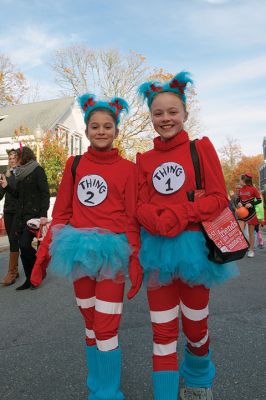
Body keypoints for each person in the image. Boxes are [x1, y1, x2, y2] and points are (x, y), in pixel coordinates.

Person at [30, 94, 142, 399]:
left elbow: (132, 218)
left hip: (111, 257)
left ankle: (108, 393)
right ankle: (97, 388)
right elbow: (62, 213)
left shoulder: (129, 170)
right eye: (95, 126)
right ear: (88, 130)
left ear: (117, 131)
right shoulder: (75, 164)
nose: (101, 131)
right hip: (78, 253)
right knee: (91, 324)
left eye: (108, 126)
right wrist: (42, 257)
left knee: (106, 327)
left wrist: (134, 260)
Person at [136, 72, 239, 400]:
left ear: (185, 114)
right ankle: (165, 394)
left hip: (196, 252)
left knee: (196, 328)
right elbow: (139, 203)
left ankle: (197, 383)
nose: (165, 118)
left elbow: (219, 198)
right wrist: (154, 218)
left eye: (172, 111)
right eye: (158, 113)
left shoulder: (201, 148)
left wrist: (181, 214)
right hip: (158, 253)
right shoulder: (144, 159)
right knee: (162, 332)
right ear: (151, 117)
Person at [0, 146, 50, 290]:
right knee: (23, 248)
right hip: (20, 216)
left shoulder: (37, 170)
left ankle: (39, 267)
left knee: (24, 244)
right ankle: (30, 279)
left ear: (25, 157)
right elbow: (17, 194)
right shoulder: (21, 174)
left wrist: (43, 215)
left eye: (18, 157)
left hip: (33, 215)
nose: (16, 160)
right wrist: (7, 186)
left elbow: (45, 193)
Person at [0, 149, 20, 286]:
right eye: (10, 158)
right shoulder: (5, 175)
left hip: (18, 211)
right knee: (12, 239)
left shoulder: (21, 174)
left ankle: (12, 272)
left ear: (18, 159)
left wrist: (7, 186)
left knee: (14, 239)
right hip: (7, 211)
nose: (11, 160)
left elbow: (18, 193)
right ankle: (15, 270)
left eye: (14, 157)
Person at [237, 173, 262, 258]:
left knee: (251, 233)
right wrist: (239, 203)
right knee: (240, 231)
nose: (239, 181)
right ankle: (243, 247)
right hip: (242, 213)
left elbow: (259, 200)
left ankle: (251, 250)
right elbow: (239, 199)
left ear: (245, 181)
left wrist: (251, 204)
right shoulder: (240, 190)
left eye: (240, 180)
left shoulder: (253, 189)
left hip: (251, 213)